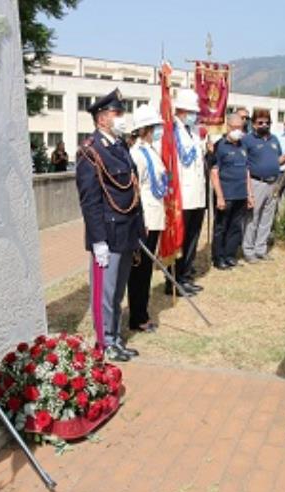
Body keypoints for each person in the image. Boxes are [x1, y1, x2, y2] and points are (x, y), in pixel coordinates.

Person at [75, 88, 144, 362]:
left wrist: (140, 227)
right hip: (108, 233)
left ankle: (114, 337)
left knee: (117, 292)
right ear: (102, 118)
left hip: (127, 230)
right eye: (118, 113)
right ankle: (105, 342)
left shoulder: (119, 146)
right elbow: (90, 201)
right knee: (106, 292)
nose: (122, 118)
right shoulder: (90, 152)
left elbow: (132, 188)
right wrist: (98, 240)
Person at [128, 105, 167, 333]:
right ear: (145, 129)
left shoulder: (151, 151)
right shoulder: (136, 154)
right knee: (139, 272)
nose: (158, 130)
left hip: (155, 216)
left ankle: (142, 312)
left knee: (146, 271)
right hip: (145, 221)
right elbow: (135, 191)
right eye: (155, 127)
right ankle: (138, 317)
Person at [165, 88, 206, 296]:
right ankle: (174, 280)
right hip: (182, 196)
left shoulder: (194, 131)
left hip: (197, 195)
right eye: (191, 111)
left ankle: (186, 275)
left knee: (192, 238)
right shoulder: (171, 131)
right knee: (179, 239)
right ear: (181, 110)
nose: (194, 115)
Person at [241, 109, 285, 263]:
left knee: (267, 218)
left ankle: (261, 248)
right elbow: (244, 165)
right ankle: (248, 250)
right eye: (260, 122)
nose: (264, 125)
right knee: (253, 217)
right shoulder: (248, 140)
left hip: (274, 183)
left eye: (267, 122)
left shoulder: (273, 140)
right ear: (253, 123)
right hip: (256, 182)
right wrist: (249, 190)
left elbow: (277, 161)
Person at [210, 113, 250, 270]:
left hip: (240, 193)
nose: (238, 131)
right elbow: (214, 172)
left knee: (235, 226)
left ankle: (230, 254)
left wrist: (249, 193)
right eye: (235, 128)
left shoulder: (243, 144)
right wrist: (219, 196)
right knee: (221, 226)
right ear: (228, 127)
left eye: (241, 128)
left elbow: (247, 170)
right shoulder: (219, 145)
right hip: (225, 194)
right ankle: (218, 257)